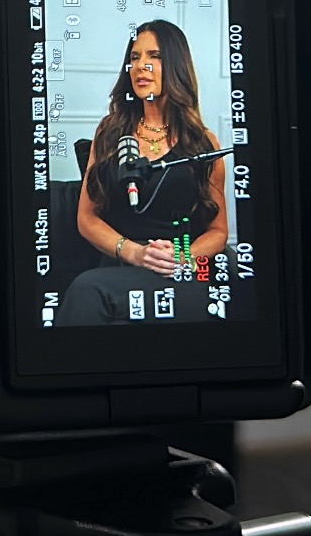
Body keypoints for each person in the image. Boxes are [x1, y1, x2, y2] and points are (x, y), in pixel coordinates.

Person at [58, 19, 227, 327]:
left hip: (178, 271)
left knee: (89, 292)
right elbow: (86, 218)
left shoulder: (204, 144)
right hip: (119, 263)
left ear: (175, 65)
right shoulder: (109, 132)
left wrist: (184, 258)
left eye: (154, 56)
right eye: (135, 57)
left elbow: (218, 232)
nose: (140, 66)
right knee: (89, 290)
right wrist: (134, 253)